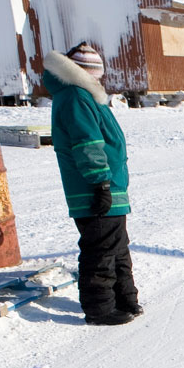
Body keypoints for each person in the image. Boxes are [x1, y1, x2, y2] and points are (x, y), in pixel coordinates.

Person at [43, 42, 140, 326]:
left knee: (117, 247)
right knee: (101, 250)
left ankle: (125, 298)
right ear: (82, 73)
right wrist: (100, 184)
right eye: (94, 74)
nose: (98, 79)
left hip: (109, 186)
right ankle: (100, 309)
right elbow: (88, 143)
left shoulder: (87, 96)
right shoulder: (76, 97)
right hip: (93, 190)